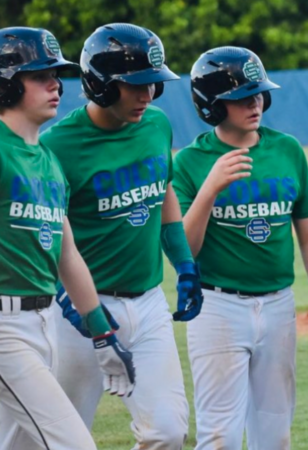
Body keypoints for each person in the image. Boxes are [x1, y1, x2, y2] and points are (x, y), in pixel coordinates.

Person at [40, 23, 200, 449]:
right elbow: (46, 233)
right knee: (60, 437)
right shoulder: (57, 145)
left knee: (167, 432)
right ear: (101, 85)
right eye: (136, 86)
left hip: (147, 304)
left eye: (153, 85)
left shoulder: (156, 126)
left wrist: (183, 262)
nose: (147, 95)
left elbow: (162, 189)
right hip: (79, 312)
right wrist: (66, 300)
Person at [172, 46, 308, 449]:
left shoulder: (287, 150)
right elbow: (184, 251)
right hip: (216, 307)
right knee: (218, 437)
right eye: (241, 97)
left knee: (275, 436)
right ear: (212, 105)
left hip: (279, 306)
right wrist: (210, 188)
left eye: (259, 92)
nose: (255, 102)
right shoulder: (191, 162)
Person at [0, 27, 134, 450]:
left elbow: (67, 254)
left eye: (57, 74)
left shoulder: (48, 162)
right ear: (7, 83)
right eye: (41, 75)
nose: (56, 84)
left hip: (44, 327)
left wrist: (102, 332)